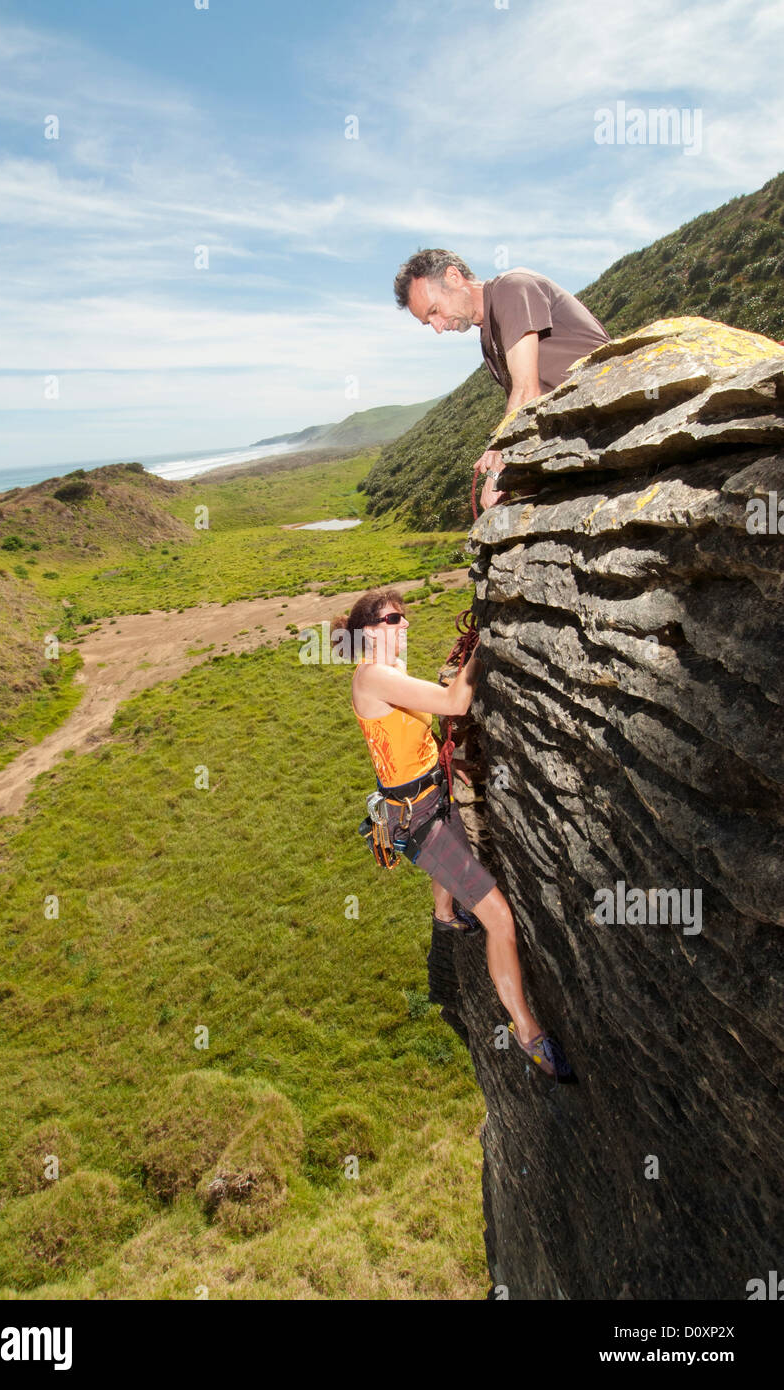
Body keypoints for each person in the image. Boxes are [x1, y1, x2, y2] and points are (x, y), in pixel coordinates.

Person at [332, 585, 574, 1081]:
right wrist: (486, 640)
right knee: (500, 918)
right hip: (421, 822)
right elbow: (454, 702)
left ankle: (445, 912)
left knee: (456, 881)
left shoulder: (387, 674)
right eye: (396, 619)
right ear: (370, 633)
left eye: (404, 617)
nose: (406, 625)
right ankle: (529, 1034)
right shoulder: (374, 676)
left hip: (424, 803)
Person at [393, 249, 610, 508]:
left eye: (435, 311)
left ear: (453, 276)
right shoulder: (488, 337)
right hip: (578, 431)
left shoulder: (512, 288)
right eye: (429, 322)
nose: (438, 327)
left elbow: (528, 391)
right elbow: (527, 406)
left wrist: (498, 467)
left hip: (605, 415)